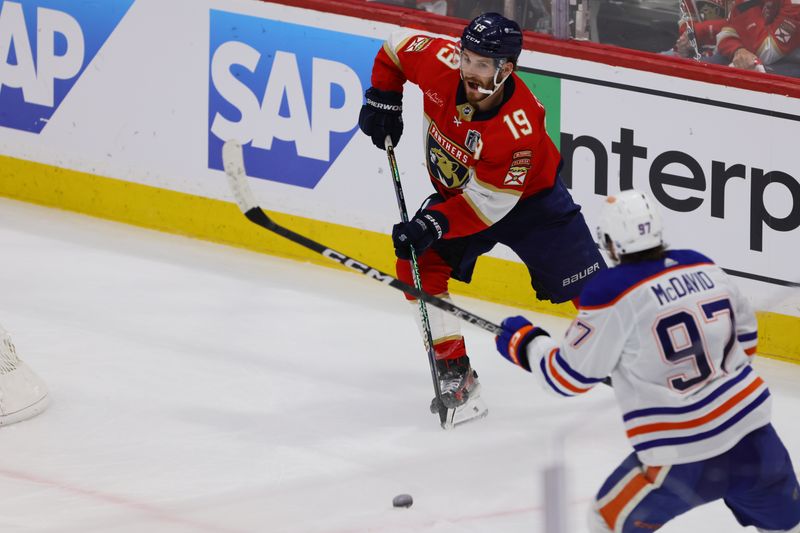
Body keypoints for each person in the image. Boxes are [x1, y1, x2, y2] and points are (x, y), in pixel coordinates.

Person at [495, 190, 800, 532]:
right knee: (785, 527)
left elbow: (567, 378)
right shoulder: (702, 264)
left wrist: (526, 343)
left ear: (609, 243)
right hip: (755, 439)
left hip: (681, 457)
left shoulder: (610, 291)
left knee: (605, 521)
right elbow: (746, 340)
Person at [358, 12, 605, 423]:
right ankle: (457, 374)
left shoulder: (518, 127)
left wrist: (431, 223)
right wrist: (384, 99)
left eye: (482, 65)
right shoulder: (441, 63)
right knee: (418, 264)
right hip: (465, 196)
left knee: (597, 299)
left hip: (534, 206)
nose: (469, 72)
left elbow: (487, 206)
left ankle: (646, 362)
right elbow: (394, 49)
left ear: (506, 69)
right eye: (466, 58)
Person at [704, 0, 800, 76]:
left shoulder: (796, 3)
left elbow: (766, 52)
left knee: (747, 73)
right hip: (757, 54)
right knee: (705, 66)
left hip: (792, 65)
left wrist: (747, 4)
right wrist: (739, 50)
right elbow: (726, 32)